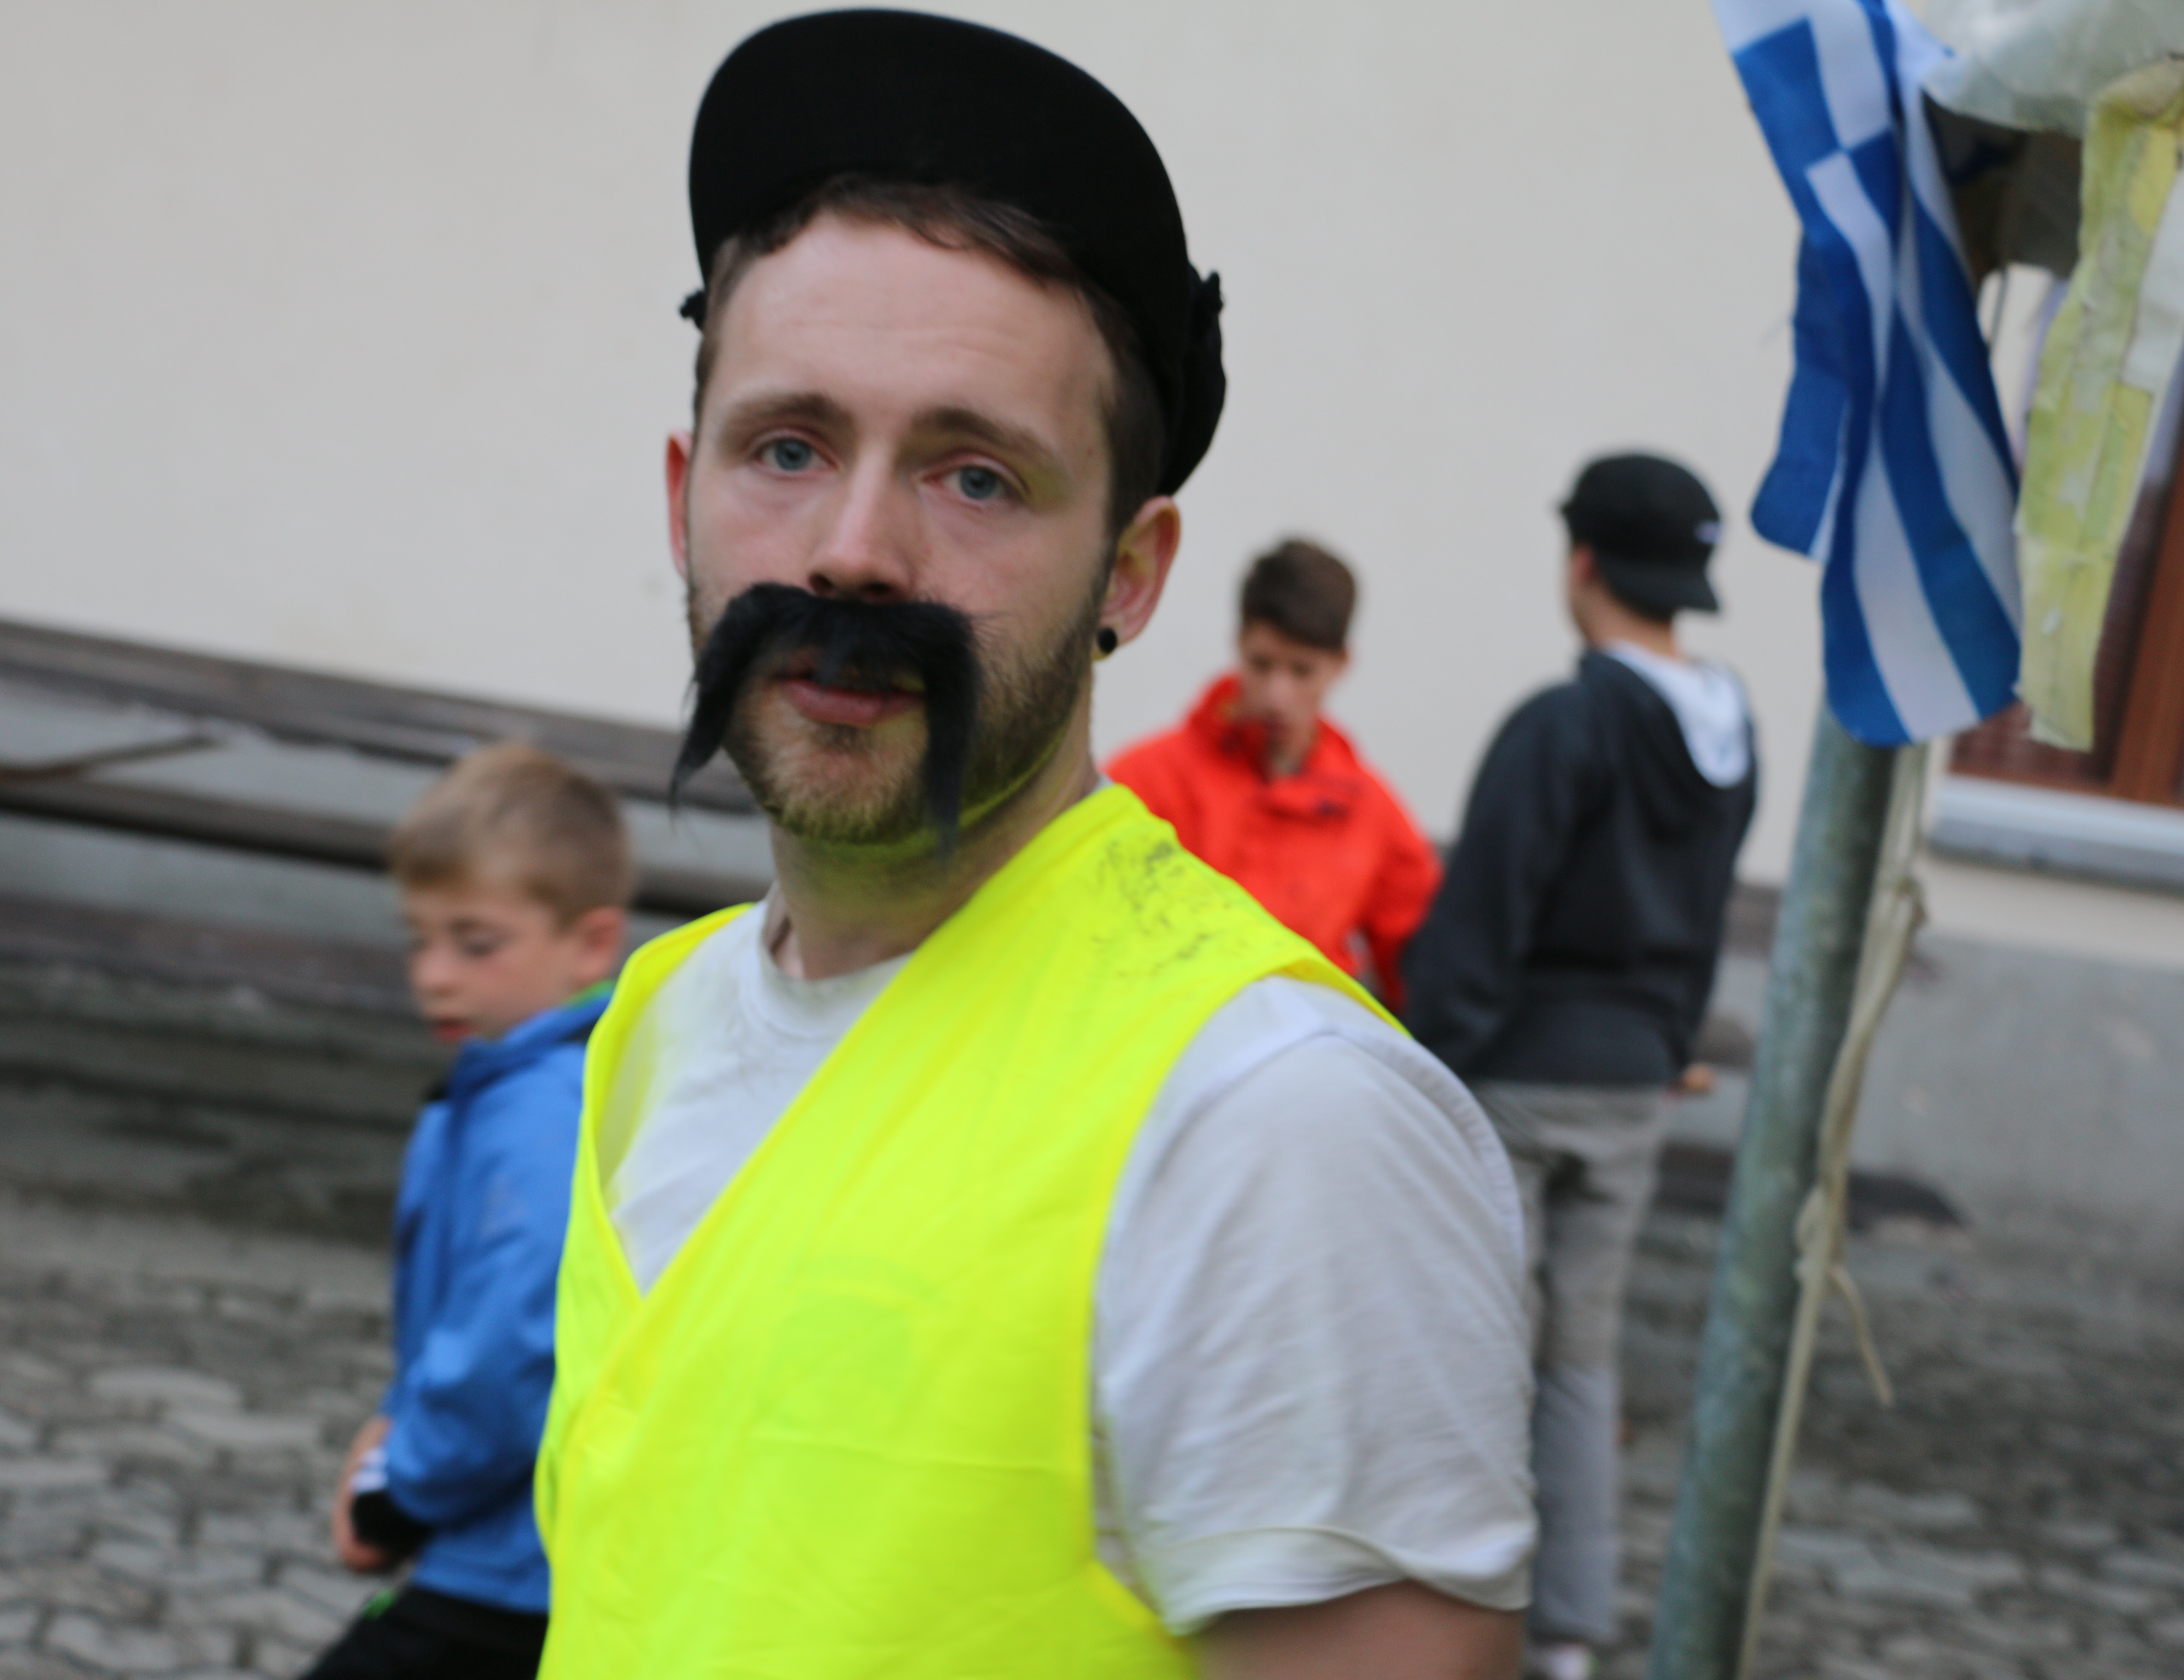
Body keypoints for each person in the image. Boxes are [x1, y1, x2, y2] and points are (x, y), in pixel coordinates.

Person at [533, 13, 1534, 1679]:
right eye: (787, 448)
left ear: (1132, 571)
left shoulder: (1275, 1122)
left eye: (977, 477)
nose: (854, 551)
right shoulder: (658, 1019)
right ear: (681, 493)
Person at [1403, 453, 1759, 1680]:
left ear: (1585, 562)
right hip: (1631, 1093)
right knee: (1578, 1359)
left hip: (1520, 1083)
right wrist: (1664, 1049)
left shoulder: (1565, 724)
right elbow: (1704, 919)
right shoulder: (1732, 732)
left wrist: (1429, 1070)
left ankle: (1442, 1613)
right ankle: (1565, 1637)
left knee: (1471, 1346)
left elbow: (1483, 917)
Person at [303, 743, 631, 1680]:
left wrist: (399, 1493)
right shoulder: (512, 1081)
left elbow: (513, 1346)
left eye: (475, 943)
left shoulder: (541, 1113)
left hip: (508, 1565)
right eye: (420, 939)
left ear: (591, 943)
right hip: (503, 1551)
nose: (435, 975)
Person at [1108, 539, 1440, 1007]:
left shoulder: (1372, 813)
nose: (1276, 696)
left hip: (1312, 1040)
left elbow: (1429, 979)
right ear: (1239, 643)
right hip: (1169, 1033)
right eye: (1262, 664)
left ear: (1340, 665)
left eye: (1302, 671)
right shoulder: (1142, 783)